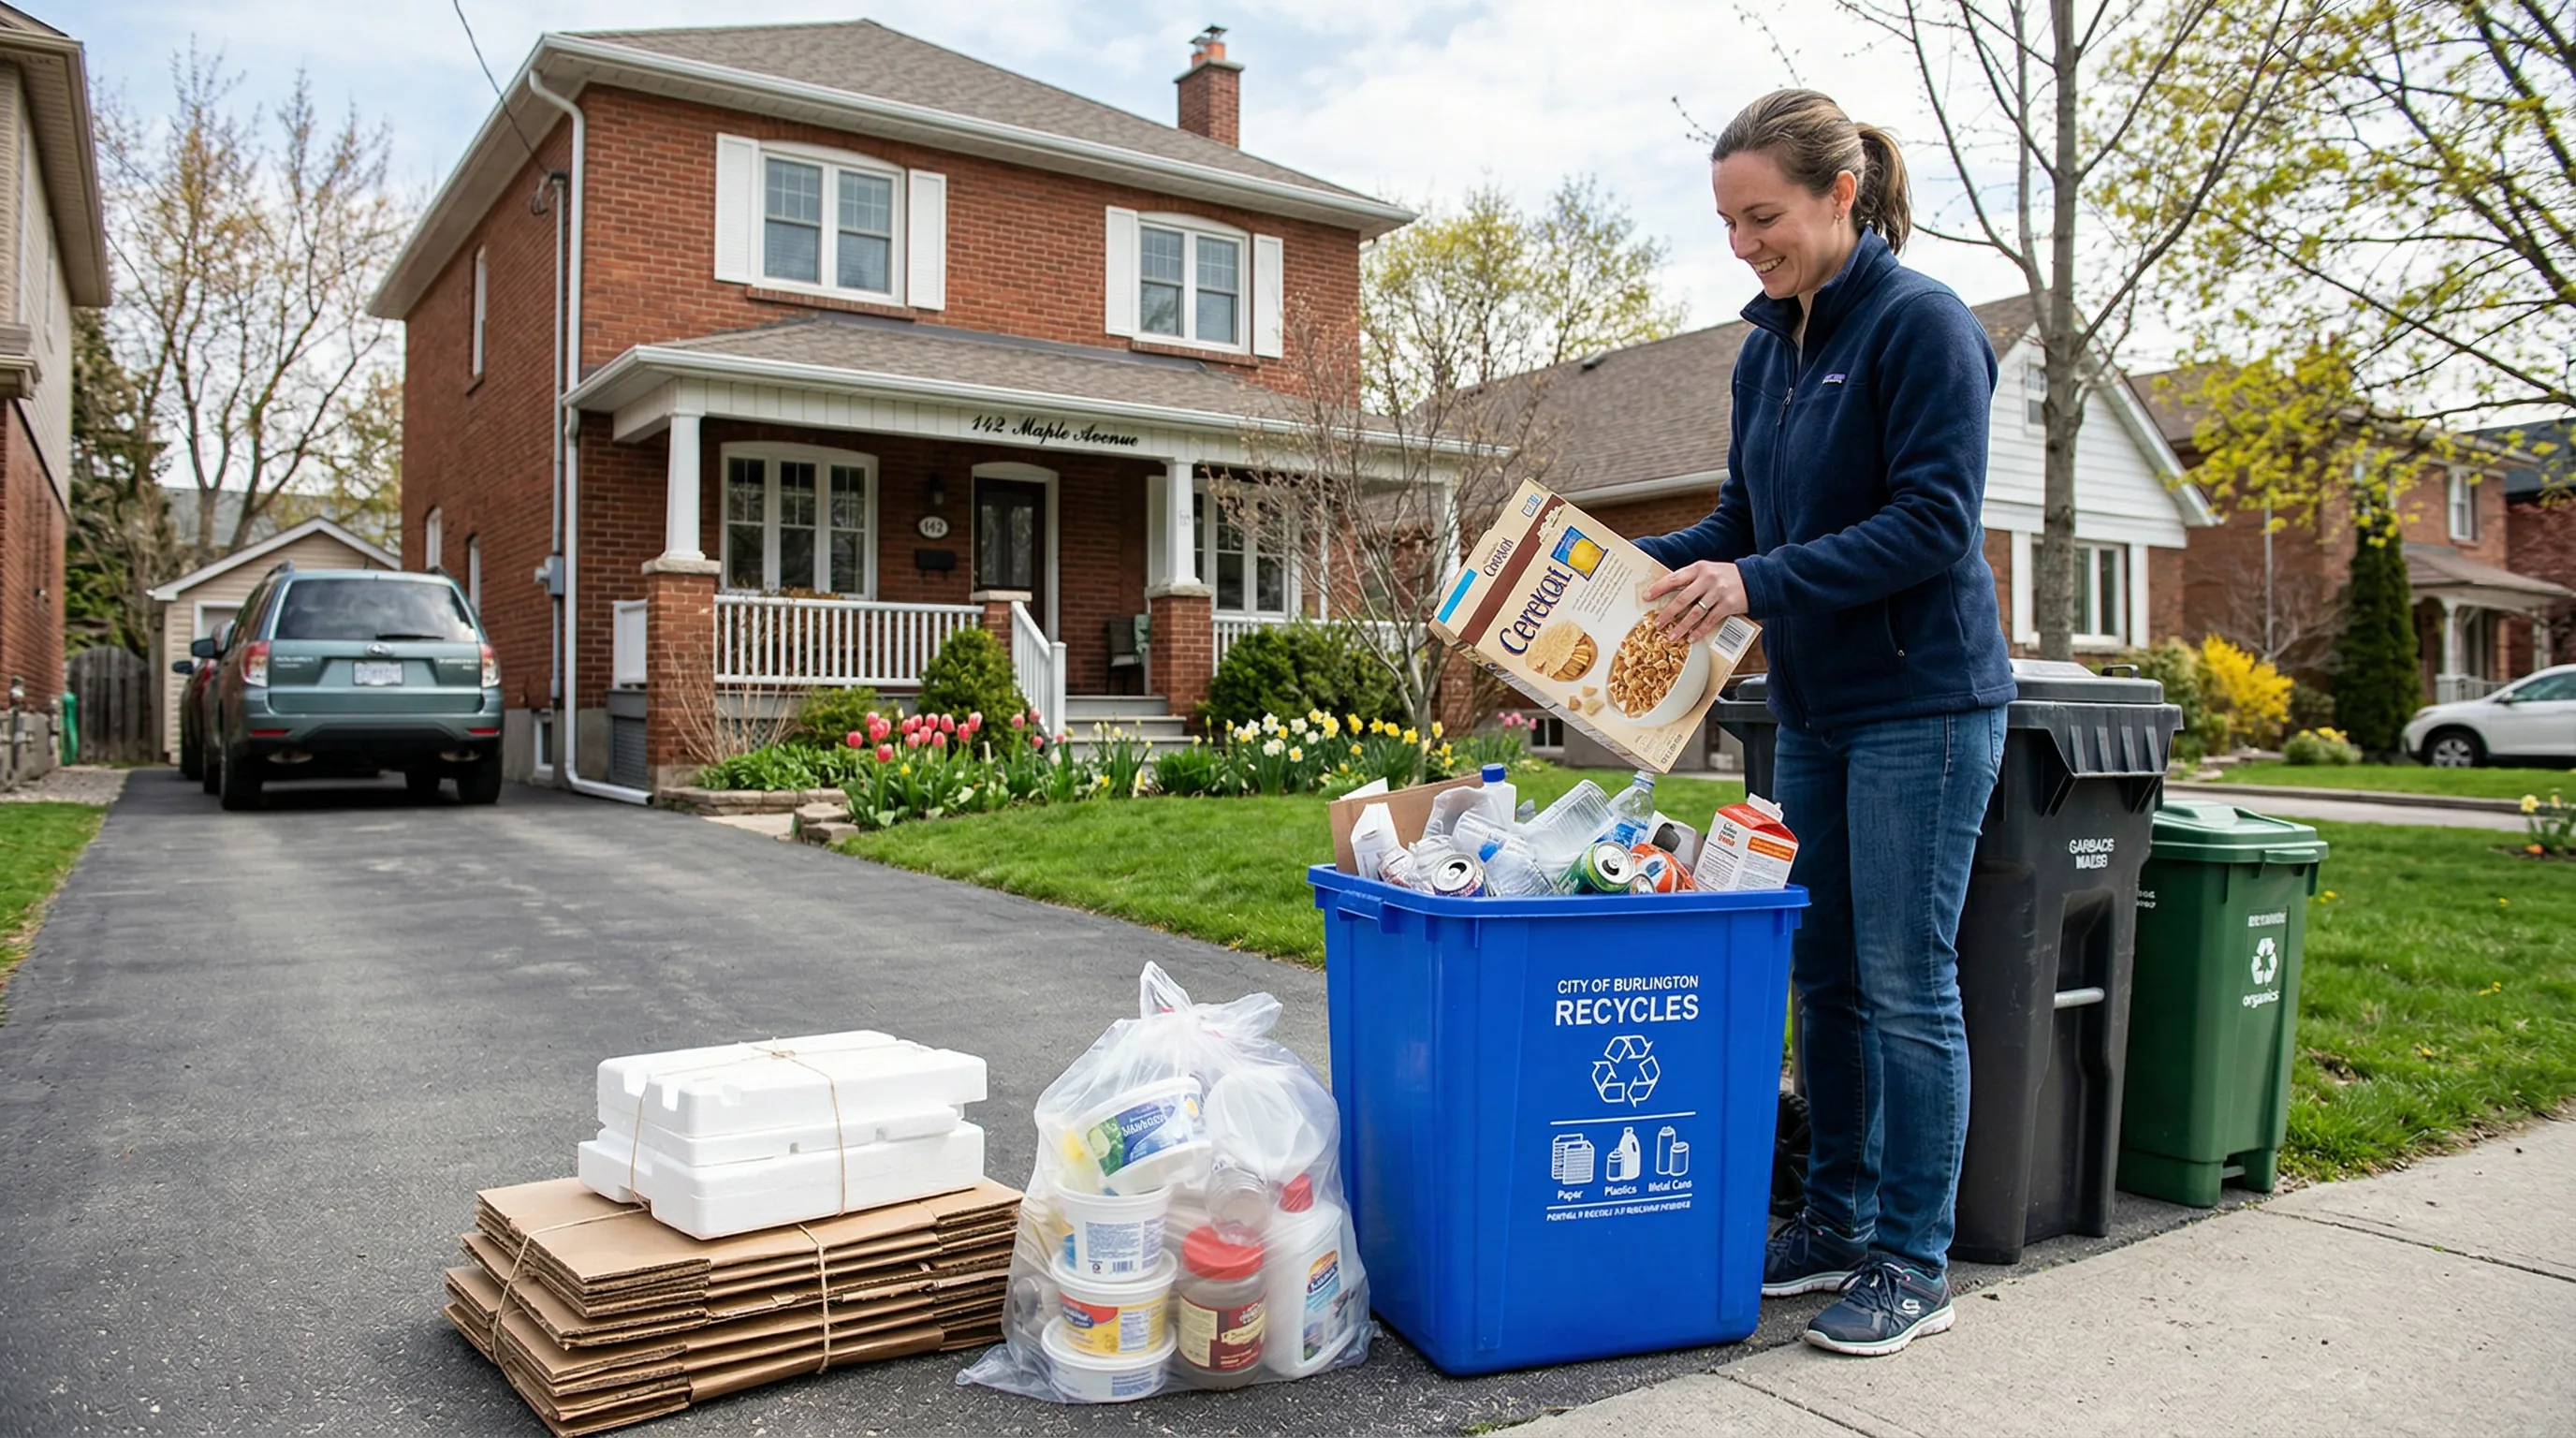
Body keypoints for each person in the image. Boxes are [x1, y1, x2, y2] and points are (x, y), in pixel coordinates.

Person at [1637, 88, 2013, 1357]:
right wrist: (1590, 566)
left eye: (1764, 217)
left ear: (1840, 193)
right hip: (1814, 707)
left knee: (1906, 982)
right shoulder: (1767, 354)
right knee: (1828, 976)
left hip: (1924, 702)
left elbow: (1933, 524)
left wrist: (1754, 584)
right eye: (1728, 223)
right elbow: (1742, 525)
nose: (1744, 245)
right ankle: (1838, 1221)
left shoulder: (1923, 326)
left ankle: (1915, 1260)